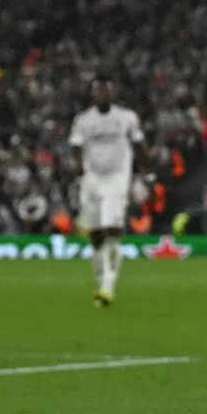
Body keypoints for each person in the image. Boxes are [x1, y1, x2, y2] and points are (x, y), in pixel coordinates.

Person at [68, 75, 147, 307]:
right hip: (92, 179)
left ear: (112, 94)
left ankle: (108, 285)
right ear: (93, 95)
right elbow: (76, 147)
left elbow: (139, 144)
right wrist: (78, 171)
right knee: (95, 234)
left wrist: (148, 172)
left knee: (112, 228)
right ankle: (102, 278)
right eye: (98, 91)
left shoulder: (126, 118)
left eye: (106, 91)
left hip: (117, 178)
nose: (103, 94)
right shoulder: (83, 120)